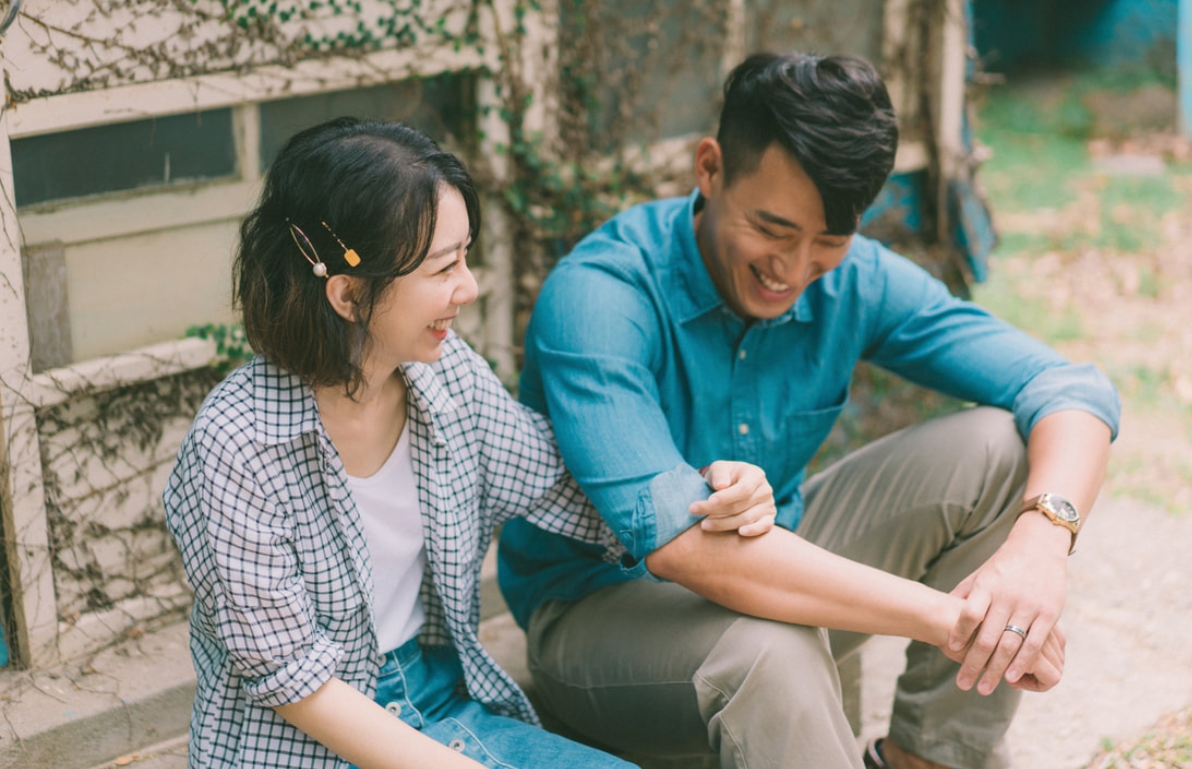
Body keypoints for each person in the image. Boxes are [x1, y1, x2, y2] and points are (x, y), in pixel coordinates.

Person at [497, 52, 1120, 769]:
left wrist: (1042, 547)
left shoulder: (854, 279)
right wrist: (952, 619)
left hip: (783, 560)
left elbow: (1072, 389)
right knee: (771, 647)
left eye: (826, 240)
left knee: (1005, 450)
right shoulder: (600, 297)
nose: (790, 272)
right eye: (772, 230)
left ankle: (926, 760)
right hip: (596, 621)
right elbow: (683, 548)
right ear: (710, 171)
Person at [162, 117, 637, 769]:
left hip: (436, 700)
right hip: (302, 746)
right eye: (444, 267)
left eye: (465, 257)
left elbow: (566, 485)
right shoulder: (235, 446)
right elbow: (295, 684)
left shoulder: (448, 378)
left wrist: (694, 493)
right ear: (350, 295)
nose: (468, 288)